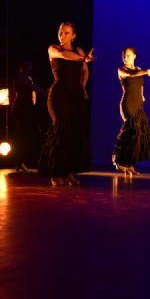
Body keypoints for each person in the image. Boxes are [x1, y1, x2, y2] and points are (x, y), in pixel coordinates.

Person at [39, 22, 95, 186]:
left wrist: (82, 86)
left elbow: (85, 71)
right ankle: (56, 173)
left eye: (66, 33)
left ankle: (68, 172)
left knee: (72, 134)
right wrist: (84, 58)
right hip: (58, 95)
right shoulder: (53, 49)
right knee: (61, 131)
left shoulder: (79, 50)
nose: (62, 35)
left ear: (73, 36)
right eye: (60, 32)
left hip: (75, 96)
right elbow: (65, 56)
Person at [112, 47, 150, 175]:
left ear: (134, 56)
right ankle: (118, 160)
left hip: (138, 105)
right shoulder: (121, 70)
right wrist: (147, 71)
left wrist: (143, 96)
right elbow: (132, 75)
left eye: (128, 55)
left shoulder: (139, 70)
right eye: (124, 56)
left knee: (137, 136)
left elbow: (140, 85)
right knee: (131, 132)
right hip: (128, 104)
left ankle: (130, 164)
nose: (126, 58)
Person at [12, 60, 47, 172]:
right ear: (21, 68)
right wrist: (42, 91)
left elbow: (33, 94)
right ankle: (19, 161)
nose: (29, 69)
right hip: (20, 107)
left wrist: (33, 105)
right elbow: (30, 87)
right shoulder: (18, 77)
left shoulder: (29, 78)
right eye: (26, 66)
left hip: (28, 107)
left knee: (30, 134)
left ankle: (27, 160)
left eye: (29, 67)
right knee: (22, 134)